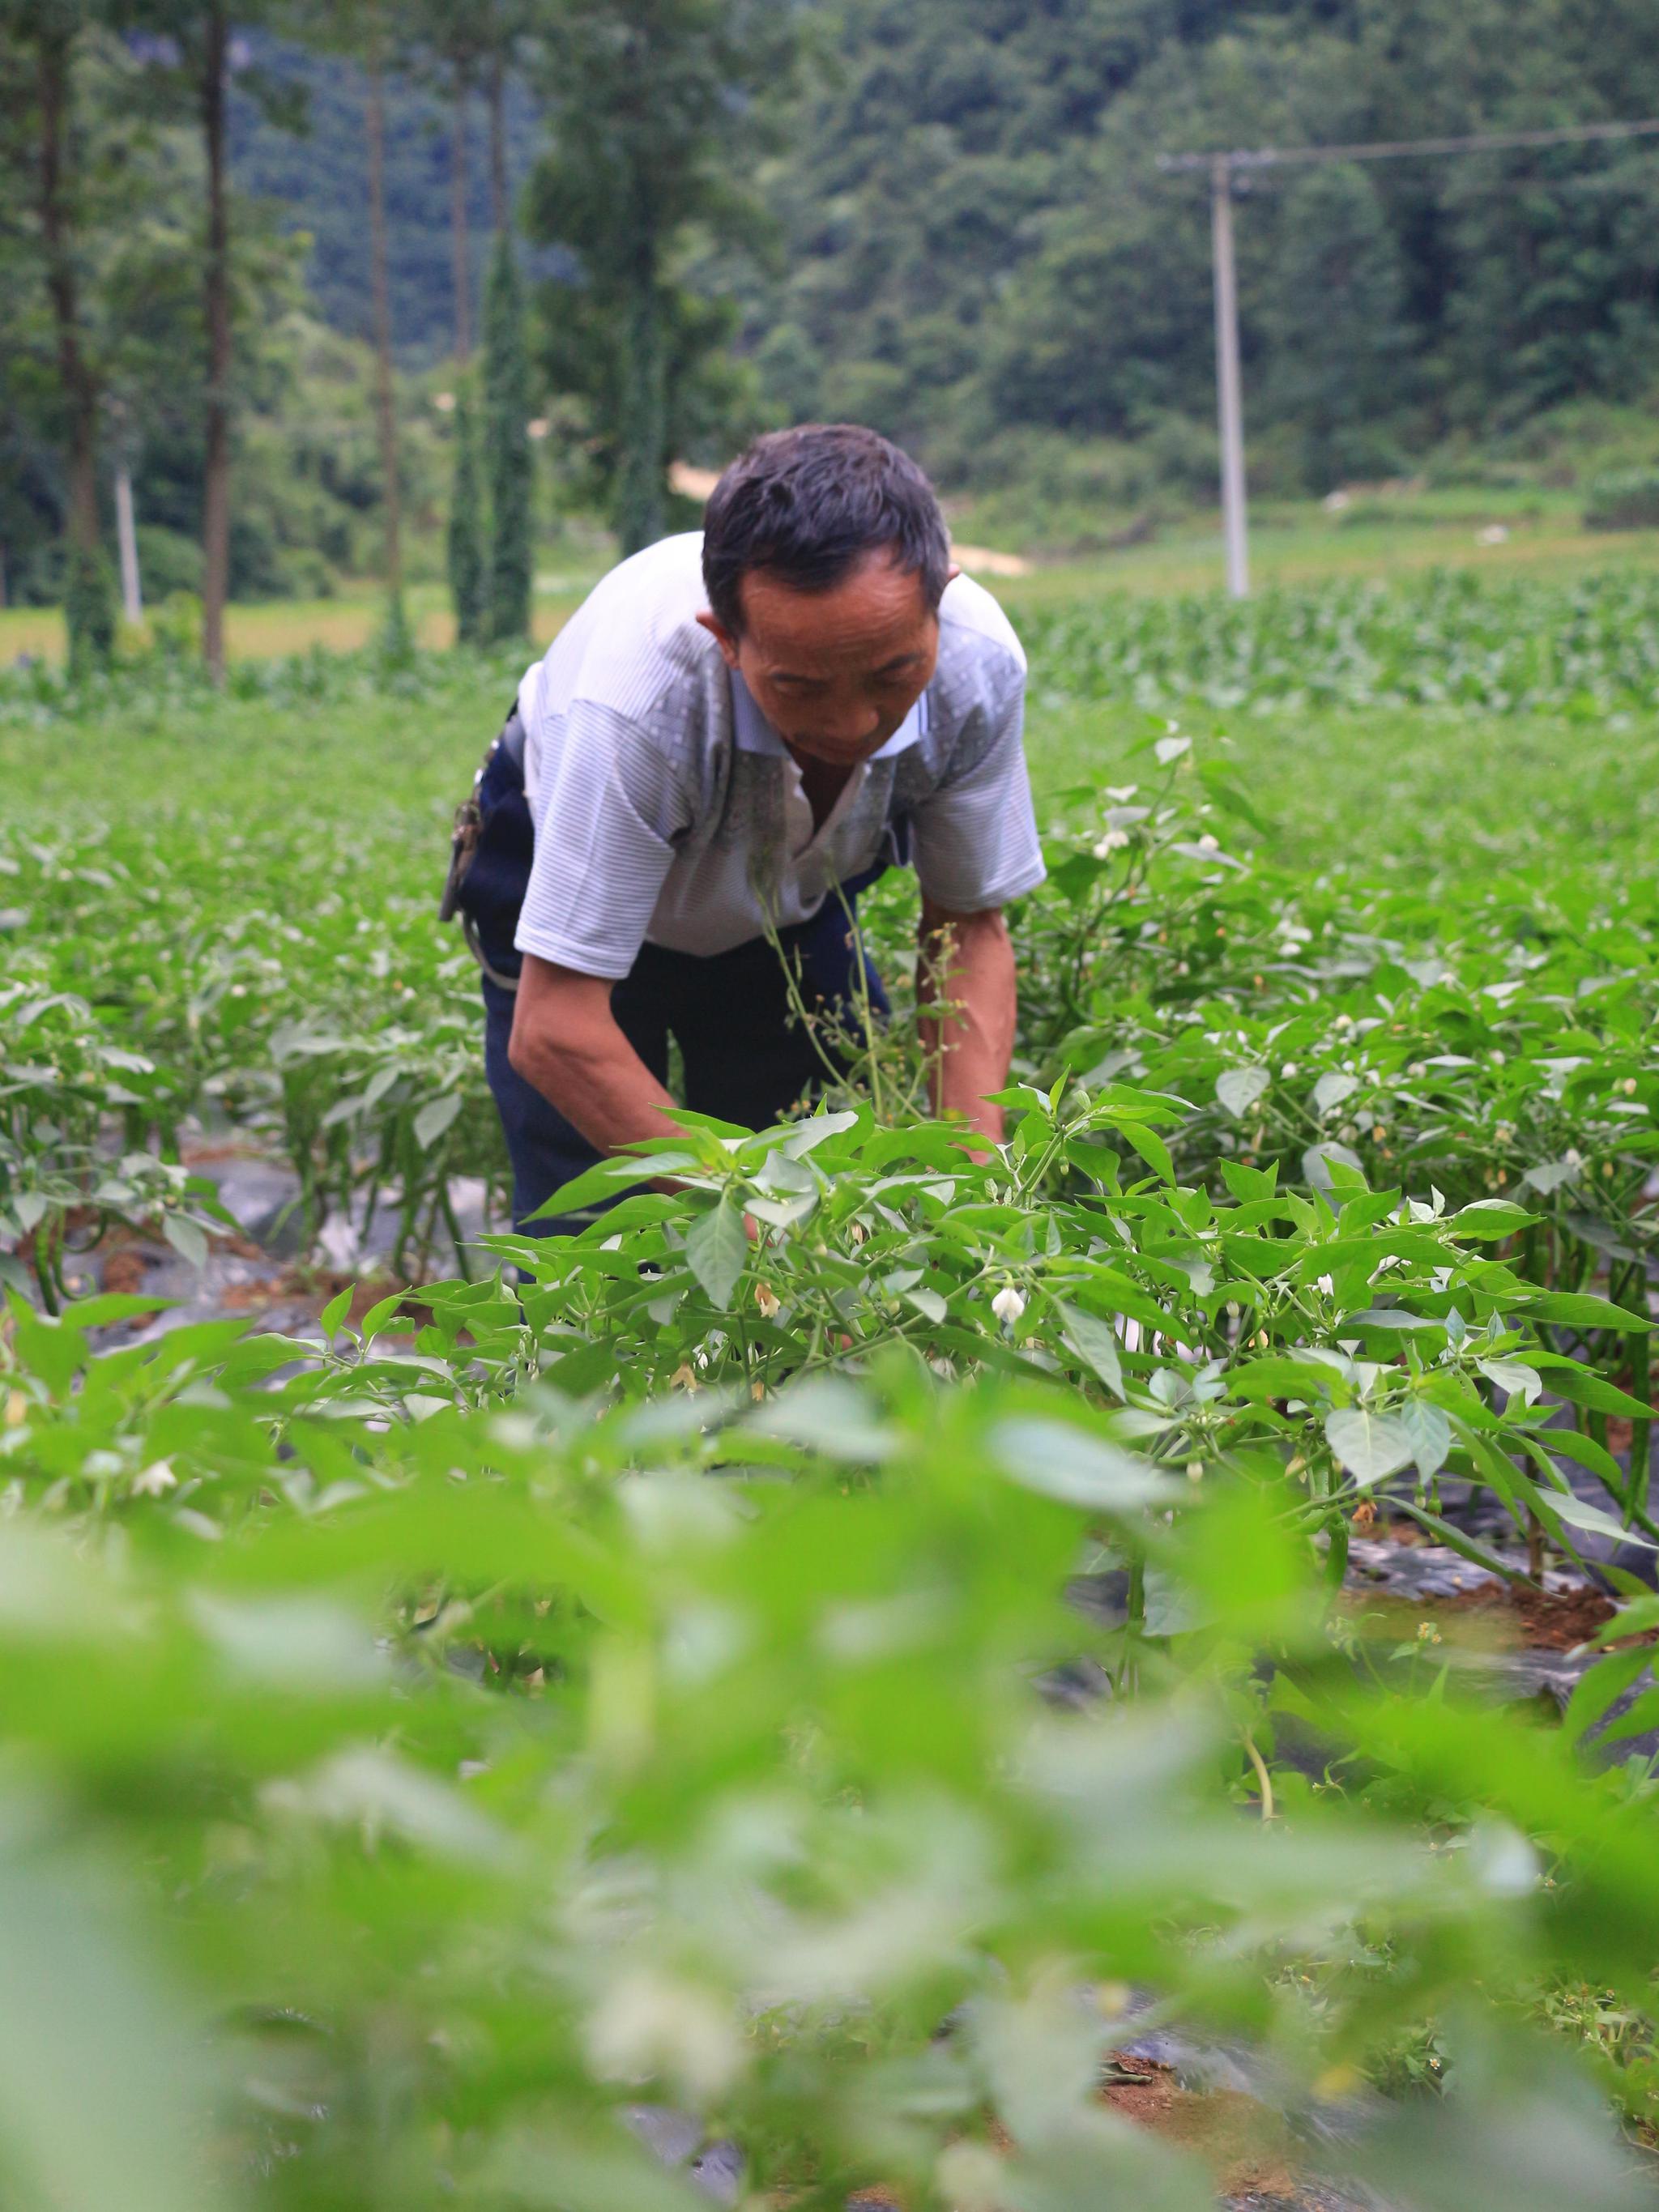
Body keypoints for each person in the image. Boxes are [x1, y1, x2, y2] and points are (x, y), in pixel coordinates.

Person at [445, 422, 1045, 1237]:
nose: (852, 721)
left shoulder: (975, 669)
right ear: (723, 638)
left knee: (826, 1167)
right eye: (799, 685)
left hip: (787, 901)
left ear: (940, 596)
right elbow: (556, 1029)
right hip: (570, 890)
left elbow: (968, 927)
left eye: (892, 673)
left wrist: (974, 1195)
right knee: (601, 1246)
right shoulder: (637, 702)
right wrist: (754, 1225)